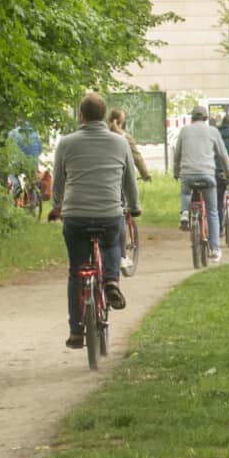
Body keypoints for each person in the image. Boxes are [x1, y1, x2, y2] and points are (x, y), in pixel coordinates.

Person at [47, 92, 140, 349]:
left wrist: (57, 206)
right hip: (109, 213)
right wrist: (134, 206)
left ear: (81, 116)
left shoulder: (66, 143)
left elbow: (59, 180)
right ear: (104, 115)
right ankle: (111, 280)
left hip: (75, 215)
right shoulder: (120, 143)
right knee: (112, 243)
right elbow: (129, 181)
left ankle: (76, 330)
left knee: (76, 270)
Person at [173, 105, 229, 263]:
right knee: (212, 211)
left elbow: (177, 153)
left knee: (186, 192)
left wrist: (175, 172)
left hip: (187, 174)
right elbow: (223, 155)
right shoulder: (213, 131)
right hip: (207, 175)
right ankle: (214, 250)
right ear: (206, 118)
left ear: (192, 118)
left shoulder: (184, 130)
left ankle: (184, 212)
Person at [106, 108, 152, 181]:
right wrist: (146, 176)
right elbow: (137, 158)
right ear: (122, 121)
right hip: (122, 178)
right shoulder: (126, 138)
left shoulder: (103, 135)